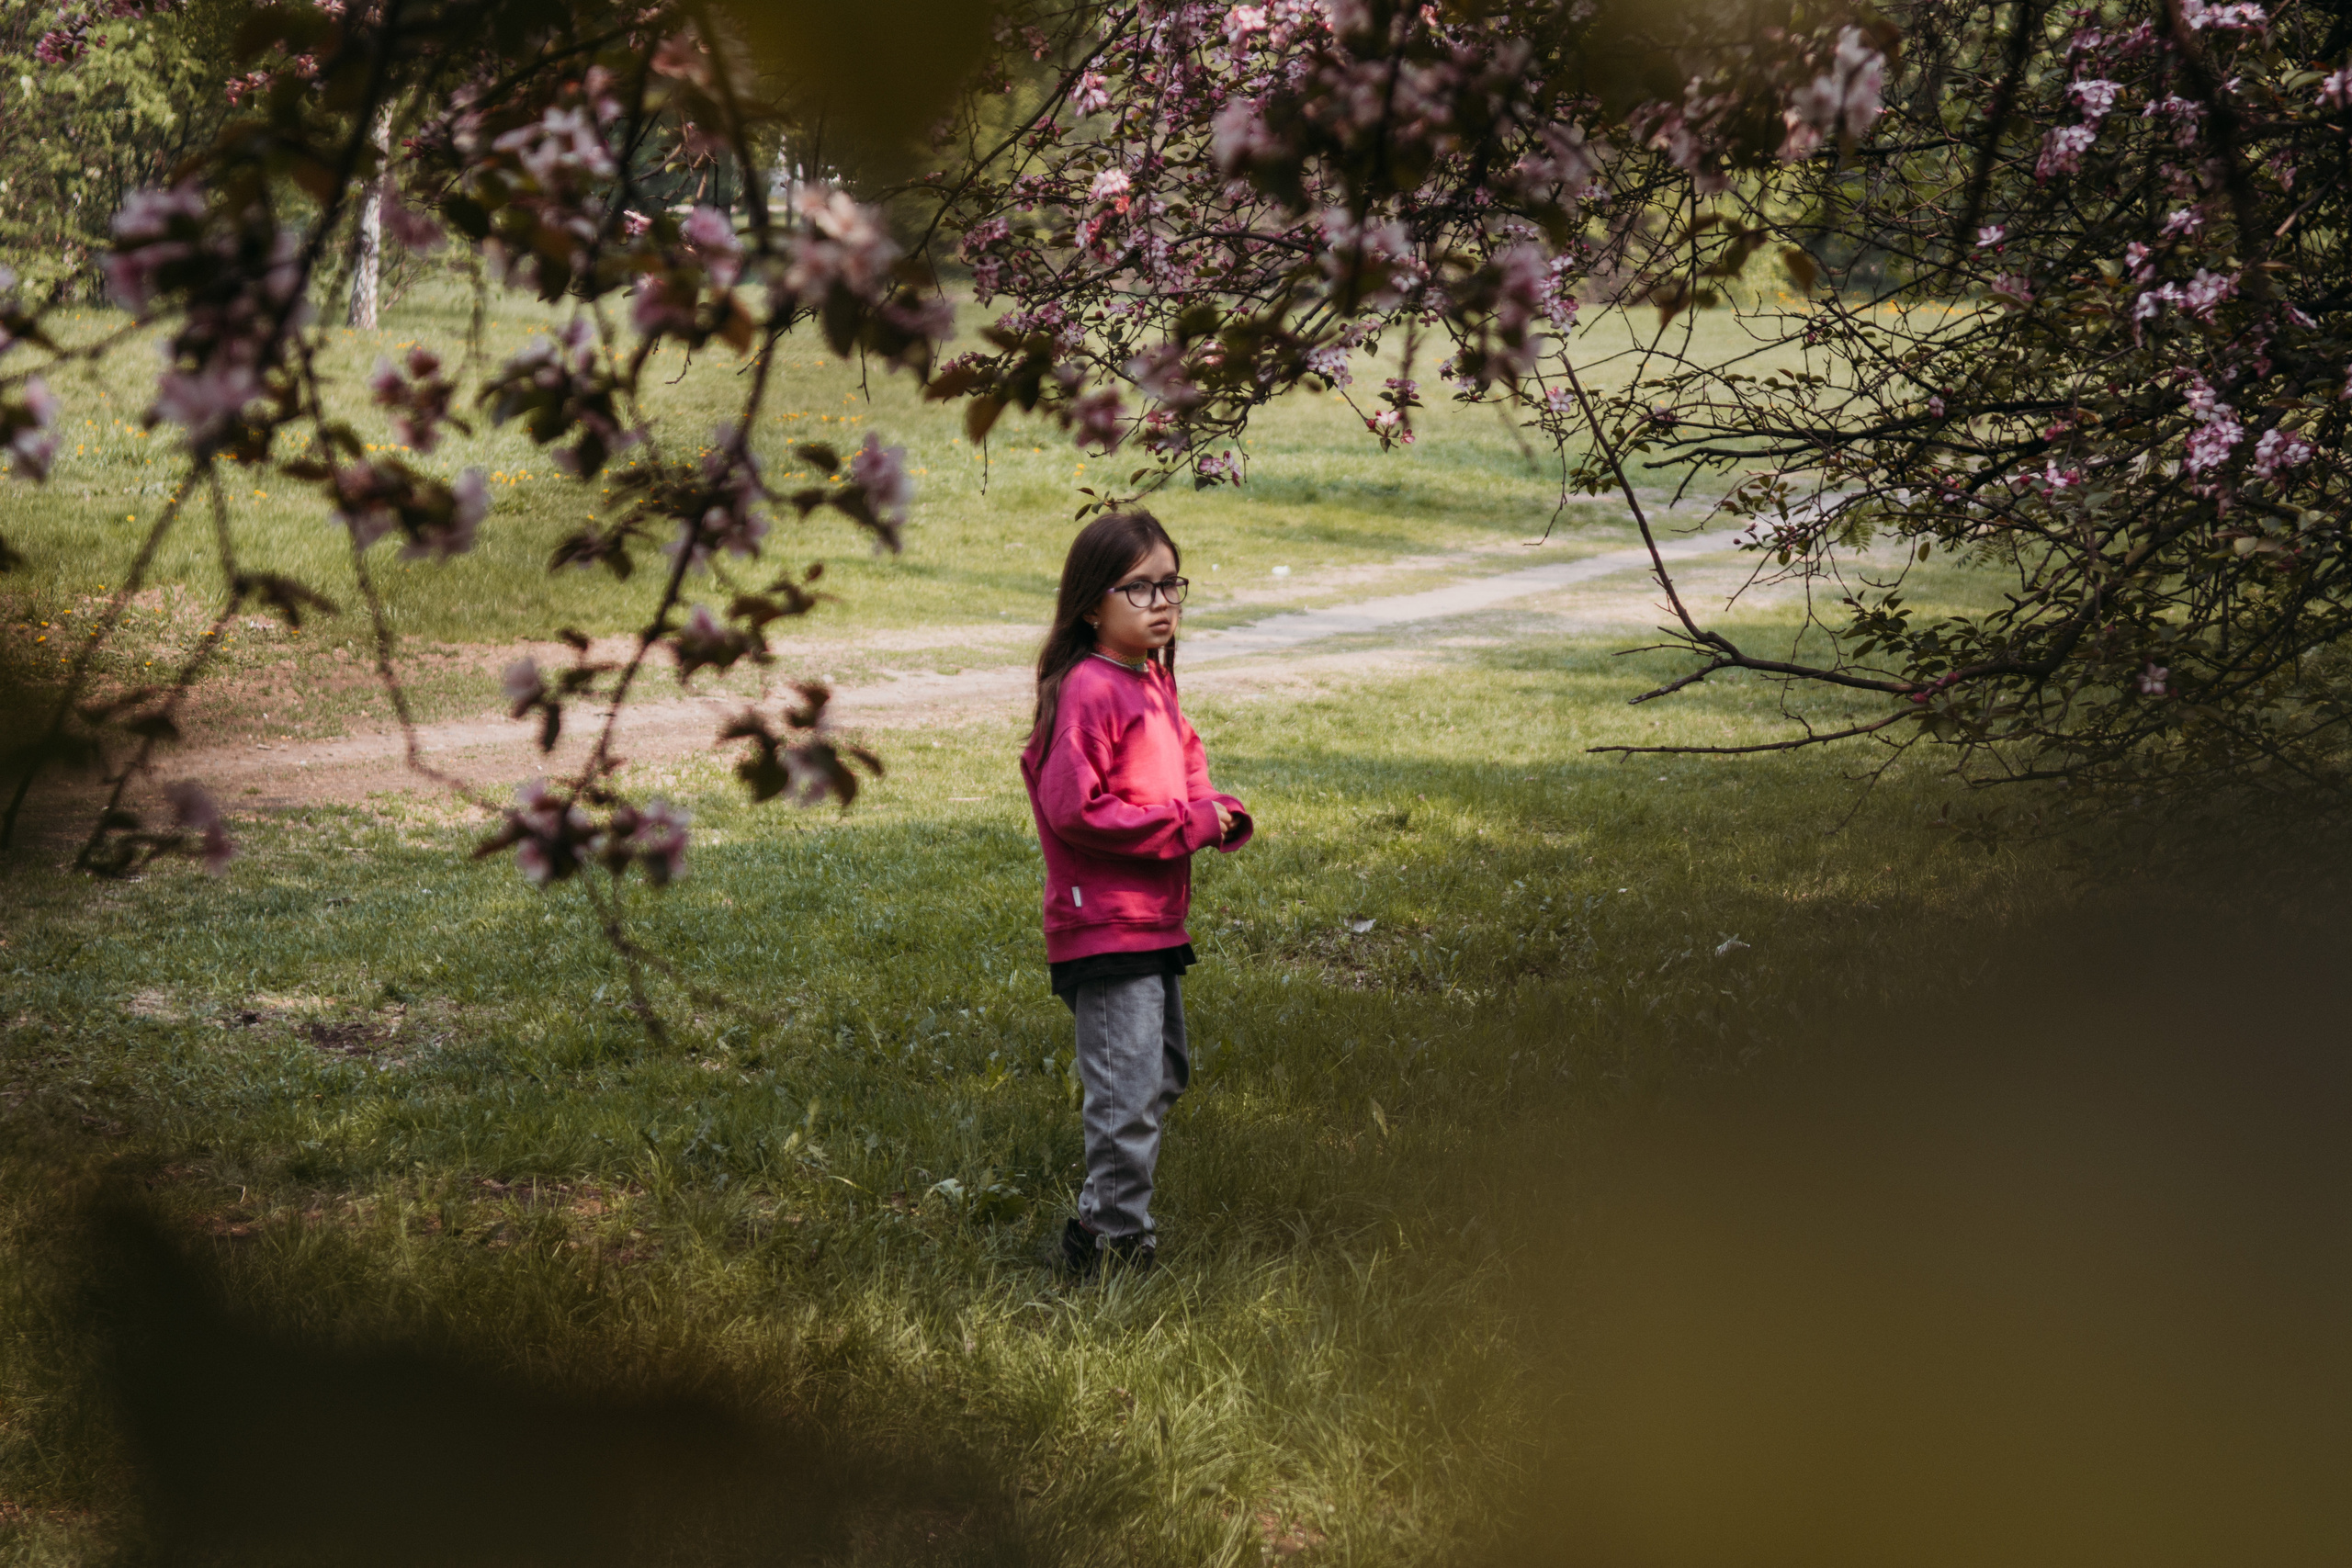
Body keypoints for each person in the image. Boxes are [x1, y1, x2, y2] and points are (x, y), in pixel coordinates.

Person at [1020, 510, 1252, 1276]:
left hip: (1153, 920)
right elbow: (1074, 809)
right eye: (1139, 587)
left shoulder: (1152, 680)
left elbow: (1188, 761)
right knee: (1127, 1093)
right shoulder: (1089, 689)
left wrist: (1213, 810)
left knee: (1159, 1076)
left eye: (1170, 584)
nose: (1162, 602)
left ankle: (1109, 1219)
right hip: (1105, 924)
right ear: (1093, 604)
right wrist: (1187, 824)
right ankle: (1111, 1241)